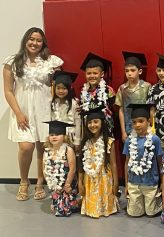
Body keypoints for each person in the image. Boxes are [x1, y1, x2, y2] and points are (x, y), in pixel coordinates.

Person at [3, 27, 63, 201]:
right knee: (26, 147)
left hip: (44, 110)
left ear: (43, 43)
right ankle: (24, 181)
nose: (34, 43)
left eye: (38, 40)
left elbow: (59, 87)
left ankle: (40, 182)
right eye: (31, 39)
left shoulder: (51, 61)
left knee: (43, 148)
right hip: (23, 112)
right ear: (25, 40)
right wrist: (18, 113)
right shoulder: (13, 62)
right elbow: (8, 91)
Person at [78, 107, 119, 218]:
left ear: (102, 123)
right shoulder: (85, 142)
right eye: (90, 122)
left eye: (96, 121)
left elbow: (114, 164)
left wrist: (116, 183)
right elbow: (81, 165)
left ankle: (105, 208)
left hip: (105, 177)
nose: (92, 125)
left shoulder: (109, 141)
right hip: (89, 178)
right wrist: (80, 182)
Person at [123, 104, 163, 217]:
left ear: (149, 121)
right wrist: (126, 184)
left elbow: (160, 162)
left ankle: (156, 200)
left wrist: (161, 183)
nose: (137, 125)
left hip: (150, 183)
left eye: (141, 121)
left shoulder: (155, 140)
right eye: (134, 122)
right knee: (134, 214)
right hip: (133, 182)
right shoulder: (129, 141)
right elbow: (127, 162)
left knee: (151, 212)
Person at [43, 121, 79, 216]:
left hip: (67, 183)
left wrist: (67, 184)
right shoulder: (47, 152)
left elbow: (72, 169)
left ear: (64, 136)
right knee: (58, 206)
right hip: (55, 184)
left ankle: (72, 202)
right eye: (52, 135)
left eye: (58, 134)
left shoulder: (68, 150)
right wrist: (49, 182)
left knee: (64, 210)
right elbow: (44, 168)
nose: (54, 137)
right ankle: (57, 200)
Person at [116, 51, 151, 142]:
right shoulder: (122, 89)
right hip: (129, 129)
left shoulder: (147, 86)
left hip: (145, 129)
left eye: (132, 70)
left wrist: (151, 126)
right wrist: (123, 132)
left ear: (140, 71)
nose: (129, 73)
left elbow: (151, 108)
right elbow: (121, 111)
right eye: (127, 71)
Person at [79, 52, 116, 135]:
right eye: (89, 73)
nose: (92, 76)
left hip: (105, 130)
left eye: (95, 73)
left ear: (102, 74)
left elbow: (115, 110)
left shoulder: (108, 90)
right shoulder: (83, 92)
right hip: (89, 130)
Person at [51, 71, 82, 152]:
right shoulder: (53, 103)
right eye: (58, 88)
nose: (61, 91)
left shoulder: (74, 104)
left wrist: (77, 141)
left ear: (69, 88)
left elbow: (78, 123)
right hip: (57, 138)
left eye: (64, 88)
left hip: (70, 138)